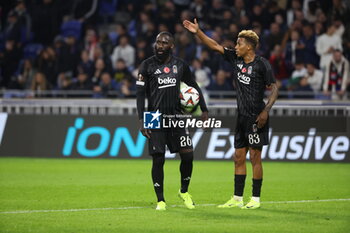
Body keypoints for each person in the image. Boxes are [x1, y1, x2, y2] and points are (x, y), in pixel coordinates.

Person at [183, 19, 278, 209]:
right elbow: (215, 46)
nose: (236, 46)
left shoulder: (262, 65)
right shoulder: (236, 59)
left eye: (239, 43)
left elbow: (274, 88)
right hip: (241, 117)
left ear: (249, 47)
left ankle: (256, 199)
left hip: (256, 117)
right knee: (238, 157)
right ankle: (237, 198)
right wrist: (198, 32)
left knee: (255, 157)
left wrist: (266, 111)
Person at [136, 31, 209, 211]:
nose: (160, 45)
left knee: (188, 154)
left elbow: (193, 86)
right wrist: (141, 119)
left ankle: (184, 191)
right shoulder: (146, 66)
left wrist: (204, 109)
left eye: (164, 43)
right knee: (158, 159)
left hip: (177, 116)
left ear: (171, 46)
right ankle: (160, 200)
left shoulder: (180, 65)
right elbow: (139, 95)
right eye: (158, 42)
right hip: (154, 117)